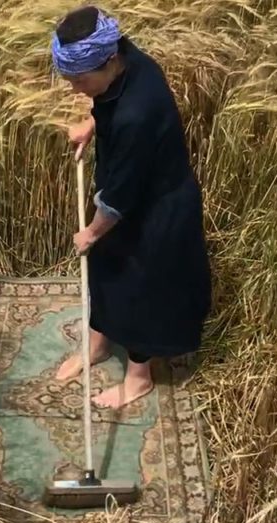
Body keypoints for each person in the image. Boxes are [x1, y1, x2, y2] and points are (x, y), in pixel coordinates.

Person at [49, 5, 212, 409]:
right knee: (105, 269)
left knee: (143, 290)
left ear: (106, 62)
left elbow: (120, 198)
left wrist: (91, 232)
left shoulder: (137, 114)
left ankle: (139, 379)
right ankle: (98, 345)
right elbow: (109, 108)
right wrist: (93, 124)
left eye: (79, 80)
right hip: (127, 191)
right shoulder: (125, 56)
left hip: (158, 208)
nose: (74, 88)